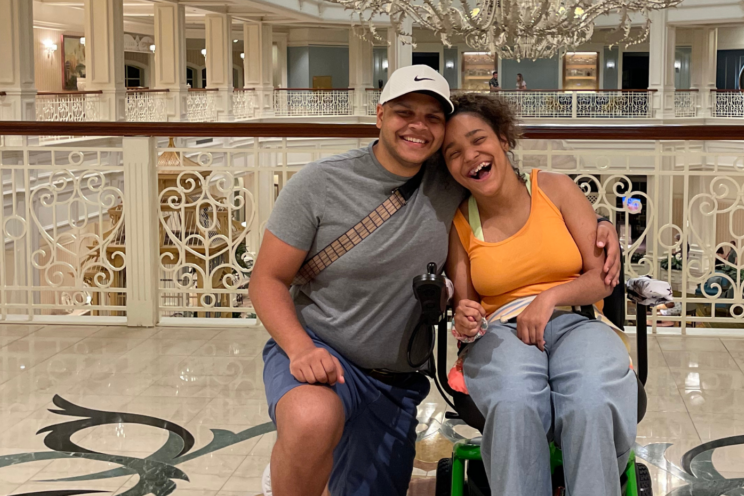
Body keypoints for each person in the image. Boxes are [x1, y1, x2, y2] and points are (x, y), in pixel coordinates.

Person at [250, 64, 623, 496]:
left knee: (591, 394)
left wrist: (600, 223)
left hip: (393, 378)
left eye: (432, 118)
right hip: (323, 350)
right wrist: (299, 349)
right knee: (312, 420)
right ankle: (294, 468)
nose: (418, 127)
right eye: (404, 112)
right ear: (380, 116)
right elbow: (266, 280)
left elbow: (521, 199)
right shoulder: (322, 183)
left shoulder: (449, 182)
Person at [444, 93, 637, 496]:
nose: (470, 156)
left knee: (591, 397)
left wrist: (547, 299)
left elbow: (602, 278)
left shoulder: (555, 188)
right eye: (453, 152)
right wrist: (465, 318)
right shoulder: (459, 222)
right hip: (500, 332)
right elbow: (468, 309)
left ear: (503, 139)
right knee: (514, 401)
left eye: (479, 140)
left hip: (576, 319)